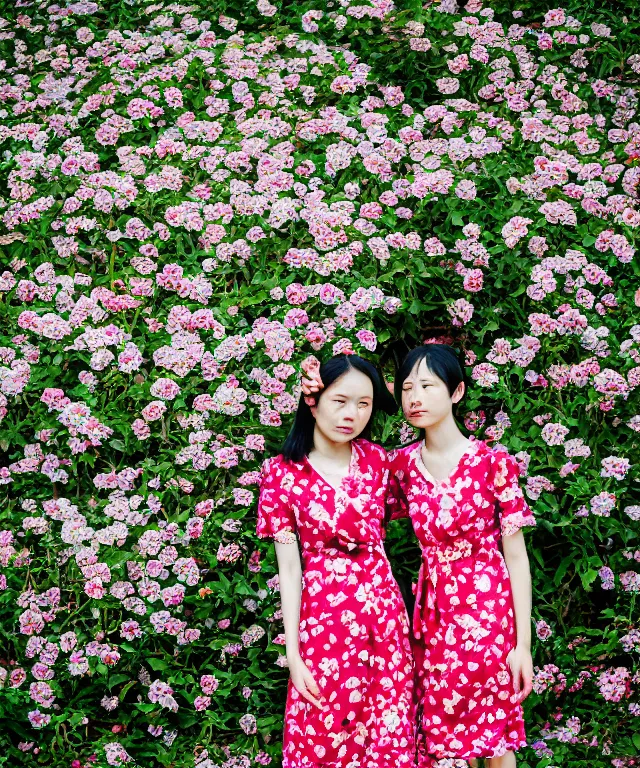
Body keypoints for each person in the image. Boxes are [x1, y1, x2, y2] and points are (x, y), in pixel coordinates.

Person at [257, 353, 416, 768]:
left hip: (383, 617)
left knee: (388, 733)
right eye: (341, 401)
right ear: (313, 399)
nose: (352, 414)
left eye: (364, 404)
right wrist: (293, 651)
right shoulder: (281, 473)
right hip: (323, 623)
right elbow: (289, 570)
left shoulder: (380, 462)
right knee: (324, 735)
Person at [387, 344, 536, 768]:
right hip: (433, 614)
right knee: (446, 734)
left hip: (487, 612)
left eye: (428, 386)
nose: (414, 397)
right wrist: (318, 399)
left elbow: (517, 558)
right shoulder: (401, 468)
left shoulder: (493, 463)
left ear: (456, 392)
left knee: (494, 734)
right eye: (407, 387)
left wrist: (521, 645)